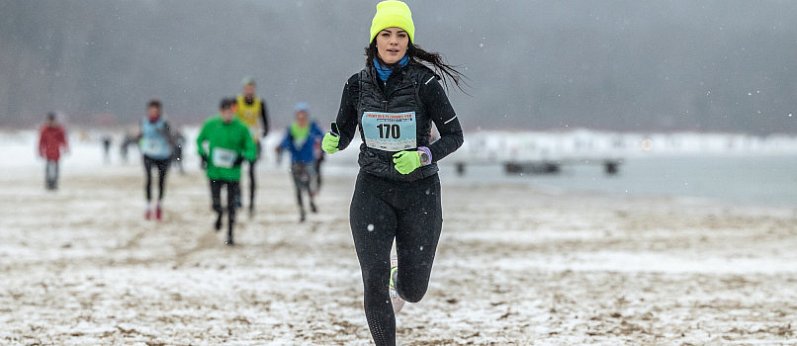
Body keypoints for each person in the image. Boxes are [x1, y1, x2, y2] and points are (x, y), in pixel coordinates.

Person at [321, 1, 465, 344]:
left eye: (401, 34)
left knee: (413, 291)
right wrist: (333, 140)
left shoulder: (425, 84)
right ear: (375, 40)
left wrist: (424, 155)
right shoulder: (356, 85)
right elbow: (344, 131)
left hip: (420, 194)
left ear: (408, 41)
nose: (393, 40)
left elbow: (455, 136)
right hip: (372, 190)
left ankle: (402, 282)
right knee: (373, 276)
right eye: (386, 33)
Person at [197, 98, 256, 246]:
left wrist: (243, 157)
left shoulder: (241, 128)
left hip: (232, 174)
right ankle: (218, 213)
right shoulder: (211, 125)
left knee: (231, 205)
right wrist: (202, 154)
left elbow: (251, 147)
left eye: (231, 111)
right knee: (216, 203)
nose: (228, 114)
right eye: (226, 111)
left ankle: (230, 233)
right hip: (214, 172)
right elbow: (199, 140)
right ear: (221, 111)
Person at [276, 102, 325, 222]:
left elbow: (324, 138)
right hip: (295, 162)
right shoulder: (291, 129)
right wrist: (279, 148)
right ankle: (302, 211)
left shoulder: (312, 126)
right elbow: (284, 142)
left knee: (309, 184)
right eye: (299, 114)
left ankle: (311, 201)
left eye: (303, 114)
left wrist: (322, 151)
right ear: (296, 116)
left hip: (309, 161)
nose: (301, 117)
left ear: (307, 115)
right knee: (297, 188)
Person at [235, 77, 270, 216]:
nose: (249, 91)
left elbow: (265, 119)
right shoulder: (237, 102)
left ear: (254, 89)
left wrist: (265, 131)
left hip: (253, 142)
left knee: (251, 173)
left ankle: (251, 202)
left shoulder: (260, 103)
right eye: (247, 88)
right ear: (244, 89)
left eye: (251, 88)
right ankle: (237, 198)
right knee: (236, 170)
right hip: (239, 141)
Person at [137, 99, 175, 221]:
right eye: (151, 110)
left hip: (163, 155)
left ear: (159, 111)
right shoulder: (143, 122)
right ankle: (148, 205)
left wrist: (164, 133)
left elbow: (171, 138)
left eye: (155, 110)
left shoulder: (164, 123)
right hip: (148, 154)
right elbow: (141, 136)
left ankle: (159, 204)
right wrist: (139, 140)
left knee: (161, 181)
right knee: (148, 179)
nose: (153, 112)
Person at [38, 112, 69, 190]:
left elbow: (63, 139)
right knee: (48, 169)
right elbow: (41, 141)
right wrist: (40, 150)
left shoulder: (59, 129)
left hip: (56, 152)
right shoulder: (45, 129)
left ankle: (54, 183)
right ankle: (48, 184)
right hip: (48, 152)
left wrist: (66, 147)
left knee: (56, 169)